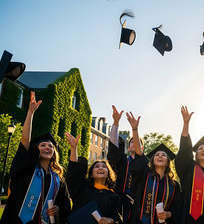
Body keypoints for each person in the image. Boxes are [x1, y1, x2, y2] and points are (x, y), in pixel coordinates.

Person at [0, 91, 70, 224]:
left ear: (54, 153)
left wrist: (58, 208)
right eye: (42, 145)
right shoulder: (27, 168)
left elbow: (65, 203)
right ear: (35, 150)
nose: (47, 148)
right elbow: (25, 139)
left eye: (50, 146)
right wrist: (30, 113)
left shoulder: (58, 179)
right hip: (17, 221)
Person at [126, 112, 181, 224]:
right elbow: (139, 155)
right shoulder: (144, 175)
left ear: (167, 162)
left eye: (163, 155)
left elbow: (178, 207)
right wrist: (135, 130)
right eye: (157, 155)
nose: (160, 156)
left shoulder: (173, 185)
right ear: (152, 160)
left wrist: (169, 214)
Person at [175, 106, 204, 224]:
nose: (203, 150)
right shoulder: (188, 168)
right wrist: (186, 124)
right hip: (188, 219)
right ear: (196, 155)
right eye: (200, 149)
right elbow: (185, 150)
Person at [66, 132, 123, 223]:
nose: (100, 167)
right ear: (91, 174)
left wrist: (110, 220)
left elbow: (118, 219)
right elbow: (74, 172)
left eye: (104, 167)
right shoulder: (83, 187)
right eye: (97, 166)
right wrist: (74, 148)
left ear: (108, 174)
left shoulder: (114, 197)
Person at [107, 105, 141, 222]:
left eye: (136, 142)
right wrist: (116, 123)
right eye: (131, 142)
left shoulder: (145, 165)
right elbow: (113, 148)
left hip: (138, 205)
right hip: (119, 202)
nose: (133, 143)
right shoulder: (122, 160)